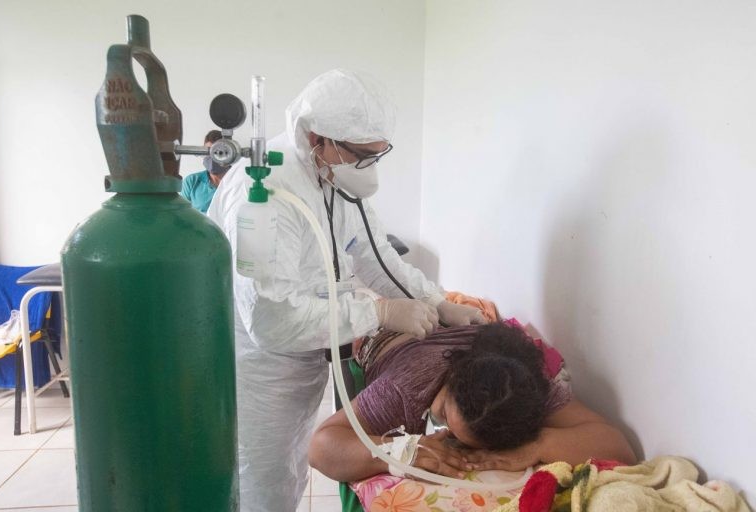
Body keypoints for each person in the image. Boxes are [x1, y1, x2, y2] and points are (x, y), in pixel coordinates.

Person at [207, 69, 487, 511]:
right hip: (255, 369)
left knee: (289, 468)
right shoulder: (262, 193)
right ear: (318, 138)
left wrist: (436, 301)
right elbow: (270, 321)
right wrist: (378, 314)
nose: (368, 169)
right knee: (260, 481)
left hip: (304, 356)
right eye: (362, 155)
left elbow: (377, 257)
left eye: (377, 156)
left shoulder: (333, 179)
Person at [309, 321, 638, 483]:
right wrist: (399, 451)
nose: (444, 435)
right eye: (442, 418)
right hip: (384, 337)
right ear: (450, 379)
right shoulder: (408, 386)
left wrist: (540, 444)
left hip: (449, 332)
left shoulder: (521, 388)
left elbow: (618, 448)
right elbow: (321, 446)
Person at [180, 129, 228, 213]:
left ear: (228, 155)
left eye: (218, 153)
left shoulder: (238, 182)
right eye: (208, 152)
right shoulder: (192, 181)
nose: (212, 158)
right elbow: (182, 215)